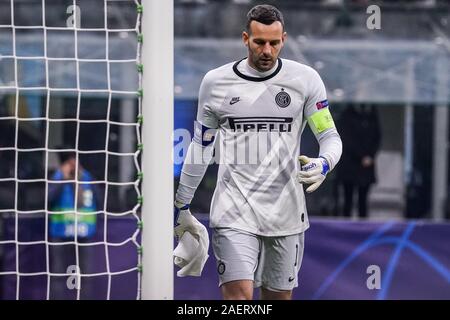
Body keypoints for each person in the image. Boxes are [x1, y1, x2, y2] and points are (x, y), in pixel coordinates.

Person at [174, 4, 342, 300]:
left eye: (274, 43)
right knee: (239, 299)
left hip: (286, 214)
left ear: (284, 40)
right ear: (245, 39)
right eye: (259, 42)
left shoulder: (305, 80)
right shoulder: (215, 83)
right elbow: (201, 146)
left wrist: (324, 163)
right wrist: (183, 205)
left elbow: (330, 137)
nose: (267, 50)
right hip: (233, 210)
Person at [47, 148, 102, 299]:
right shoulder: (57, 177)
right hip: (61, 232)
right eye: (69, 161)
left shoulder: (87, 177)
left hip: (84, 232)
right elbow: (48, 200)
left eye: (74, 160)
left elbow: (100, 200)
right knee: (57, 274)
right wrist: (63, 179)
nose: (72, 164)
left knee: (85, 275)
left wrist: (84, 176)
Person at [336, 104, 381, 218]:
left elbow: (377, 137)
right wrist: (362, 156)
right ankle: (345, 229)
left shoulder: (372, 115)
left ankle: (362, 229)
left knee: (363, 199)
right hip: (349, 163)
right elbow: (346, 138)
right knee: (348, 199)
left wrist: (370, 155)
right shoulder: (347, 115)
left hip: (366, 165)